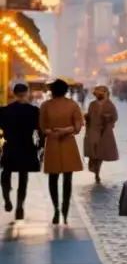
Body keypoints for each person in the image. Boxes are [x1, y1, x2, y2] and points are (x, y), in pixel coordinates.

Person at [39, 79, 85, 225]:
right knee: (67, 179)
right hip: (68, 143)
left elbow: (42, 126)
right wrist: (65, 130)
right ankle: (65, 209)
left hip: (52, 142)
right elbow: (78, 126)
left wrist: (52, 132)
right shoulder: (73, 105)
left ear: (52, 91)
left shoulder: (46, 105)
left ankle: (56, 209)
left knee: (53, 179)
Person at [1, 82, 42, 220]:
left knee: (5, 174)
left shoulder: (5, 111)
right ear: (27, 93)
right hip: (26, 145)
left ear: (13, 93)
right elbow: (40, 130)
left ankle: (6, 198)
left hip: (10, 145)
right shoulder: (33, 111)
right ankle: (20, 206)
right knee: (23, 178)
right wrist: (40, 146)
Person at [84, 85, 119, 184]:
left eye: (101, 93)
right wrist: (86, 117)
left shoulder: (109, 105)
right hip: (93, 130)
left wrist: (108, 119)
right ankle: (94, 168)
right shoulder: (92, 104)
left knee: (100, 152)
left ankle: (97, 173)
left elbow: (115, 117)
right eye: (97, 93)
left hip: (104, 131)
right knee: (93, 152)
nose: (98, 95)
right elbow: (89, 116)